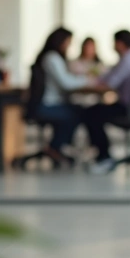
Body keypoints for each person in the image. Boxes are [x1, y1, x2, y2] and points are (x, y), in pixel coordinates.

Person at [28, 27, 94, 165]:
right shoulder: (52, 58)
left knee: (77, 110)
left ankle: (57, 147)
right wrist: (87, 79)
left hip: (50, 103)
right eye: (68, 42)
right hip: (46, 105)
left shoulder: (53, 57)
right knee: (78, 114)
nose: (69, 46)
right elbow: (66, 83)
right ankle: (55, 148)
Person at [83, 29, 130, 174]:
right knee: (94, 111)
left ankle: (105, 157)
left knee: (90, 114)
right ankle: (101, 154)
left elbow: (111, 83)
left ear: (120, 44)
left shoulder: (127, 61)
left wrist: (94, 80)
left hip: (127, 109)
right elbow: (109, 77)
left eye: (114, 43)